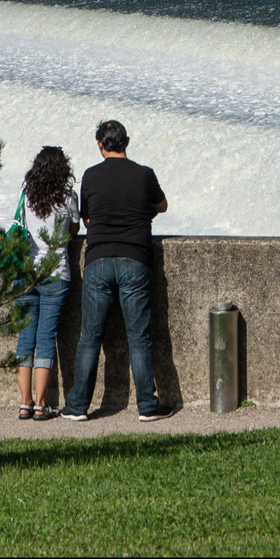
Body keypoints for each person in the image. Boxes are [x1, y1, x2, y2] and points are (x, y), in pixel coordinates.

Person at [61, 119, 168, 422]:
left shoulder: (90, 176)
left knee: (89, 338)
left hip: (97, 260)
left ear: (99, 144)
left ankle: (78, 406)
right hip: (135, 259)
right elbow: (163, 206)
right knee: (140, 337)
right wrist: (141, 214)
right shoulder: (144, 175)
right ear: (127, 142)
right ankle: (147, 406)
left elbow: (88, 221)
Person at [9, 146, 80, 420]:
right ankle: (41, 404)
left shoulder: (25, 194)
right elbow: (74, 230)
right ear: (62, 169)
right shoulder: (67, 196)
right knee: (46, 338)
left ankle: (24, 403)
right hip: (56, 272)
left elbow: (16, 225)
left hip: (25, 272)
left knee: (25, 339)